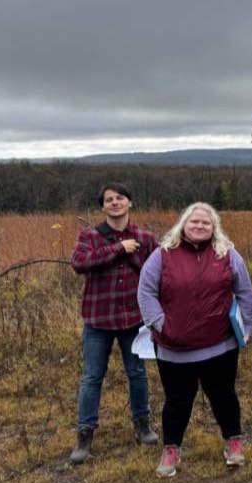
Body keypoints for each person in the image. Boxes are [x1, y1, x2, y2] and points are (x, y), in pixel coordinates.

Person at [138, 202, 252, 477]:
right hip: (173, 347)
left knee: (224, 396)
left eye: (206, 222)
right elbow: (145, 291)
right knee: (177, 401)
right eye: (194, 222)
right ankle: (171, 450)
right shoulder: (162, 255)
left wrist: (248, 326)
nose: (200, 226)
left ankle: (233, 442)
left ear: (214, 227)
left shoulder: (228, 254)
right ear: (183, 225)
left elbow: (244, 291)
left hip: (221, 344)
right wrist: (159, 323)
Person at [70, 183, 159, 465]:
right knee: (92, 378)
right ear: (103, 207)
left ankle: (143, 426)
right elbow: (79, 263)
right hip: (98, 320)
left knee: (137, 373)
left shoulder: (146, 237)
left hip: (134, 320)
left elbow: (159, 272)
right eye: (109, 200)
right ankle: (84, 436)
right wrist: (118, 248)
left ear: (129, 202)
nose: (115, 202)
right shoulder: (90, 236)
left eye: (120, 197)